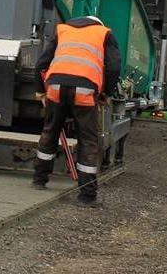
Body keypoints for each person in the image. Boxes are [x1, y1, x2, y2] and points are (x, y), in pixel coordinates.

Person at [32, 14, 122, 207]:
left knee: (50, 131)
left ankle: (39, 179)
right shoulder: (104, 33)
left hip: (55, 87)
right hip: (85, 90)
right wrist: (106, 93)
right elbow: (114, 67)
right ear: (98, 23)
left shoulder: (62, 30)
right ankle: (87, 195)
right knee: (88, 140)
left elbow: (40, 64)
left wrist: (40, 90)